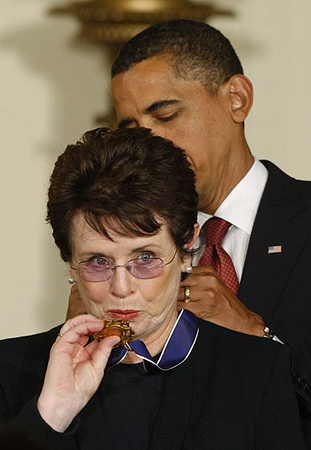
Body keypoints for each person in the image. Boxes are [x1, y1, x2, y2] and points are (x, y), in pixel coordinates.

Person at [0, 127, 306, 449]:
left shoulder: (256, 370)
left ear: (188, 246)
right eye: (98, 261)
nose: (121, 288)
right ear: (69, 259)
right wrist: (51, 414)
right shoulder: (11, 370)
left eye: (145, 257)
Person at [109, 19, 311, 442]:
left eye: (166, 114)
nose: (149, 142)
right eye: (131, 129)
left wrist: (259, 337)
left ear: (237, 99)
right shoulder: (126, 255)